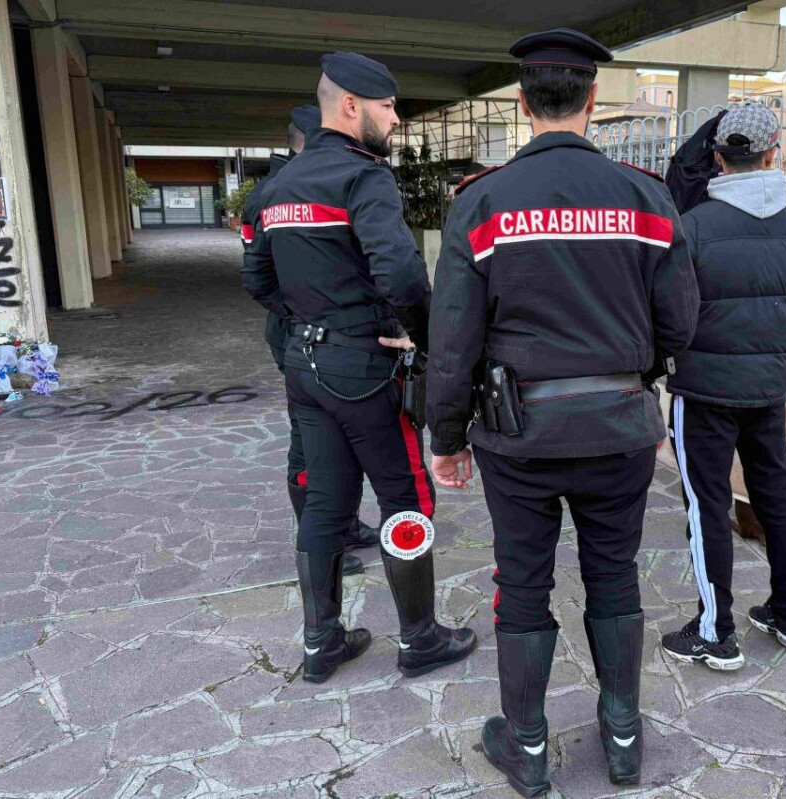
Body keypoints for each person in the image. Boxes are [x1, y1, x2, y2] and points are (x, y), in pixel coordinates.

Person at [426, 29, 698, 796]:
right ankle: (623, 738)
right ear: (593, 101)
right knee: (615, 576)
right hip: (619, 427)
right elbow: (681, 319)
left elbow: (453, 337)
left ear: (522, 102)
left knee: (523, 583)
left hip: (517, 437)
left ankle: (528, 747)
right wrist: (632, 373)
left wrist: (446, 437)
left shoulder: (482, 201)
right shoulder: (646, 197)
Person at [242, 53, 476, 685]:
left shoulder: (277, 186)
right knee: (407, 496)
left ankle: (322, 643)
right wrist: (423, 336)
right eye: (388, 107)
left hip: (304, 362)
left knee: (324, 501)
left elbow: (257, 278)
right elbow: (401, 272)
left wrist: (308, 319)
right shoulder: (363, 177)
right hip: (365, 366)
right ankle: (420, 639)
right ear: (351, 106)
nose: (395, 119)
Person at [660, 100, 786, 672]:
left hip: (702, 393)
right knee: (776, 498)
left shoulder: (693, 227)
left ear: (717, 158)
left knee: (707, 505)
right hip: (768, 390)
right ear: (773, 154)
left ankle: (717, 632)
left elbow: (670, 317)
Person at [241, 106, 377, 578]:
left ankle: (344, 525)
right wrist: (304, 313)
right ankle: (322, 539)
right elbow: (257, 272)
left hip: (312, 332)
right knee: (311, 448)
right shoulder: (275, 191)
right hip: (304, 336)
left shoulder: (290, 186)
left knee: (338, 444)